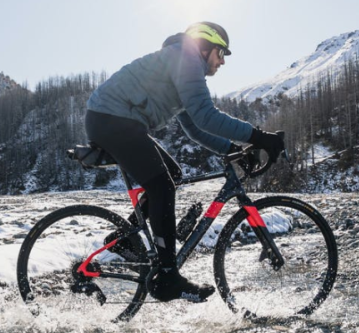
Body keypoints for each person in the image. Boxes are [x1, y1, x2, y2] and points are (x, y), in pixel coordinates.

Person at [85, 22, 285, 303]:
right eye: (222, 53)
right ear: (206, 46)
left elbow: (195, 128)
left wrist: (233, 148)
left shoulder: (180, 64)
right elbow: (207, 116)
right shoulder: (186, 58)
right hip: (112, 119)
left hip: (115, 120)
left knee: (172, 175)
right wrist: (259, 137)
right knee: (162, 186)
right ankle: (168, 276)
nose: (223, 61)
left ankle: (126, 240)